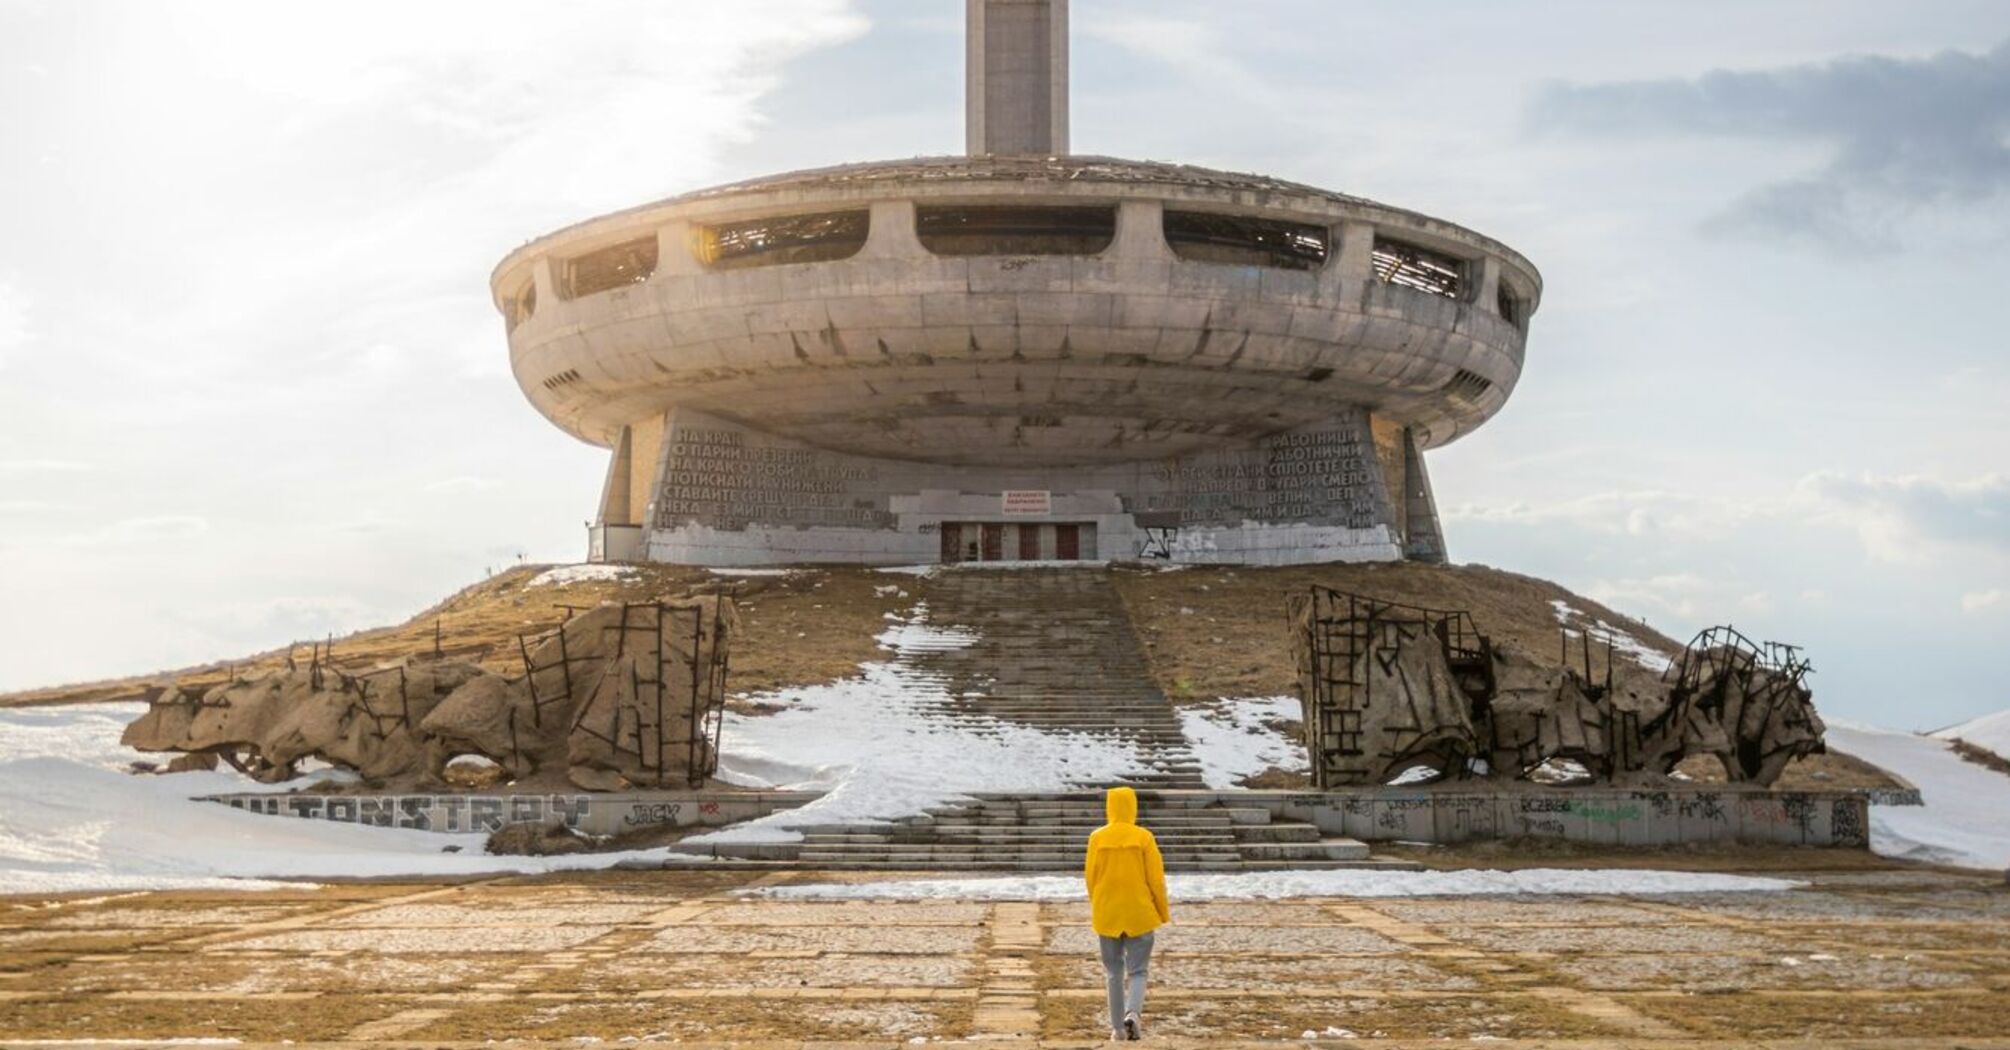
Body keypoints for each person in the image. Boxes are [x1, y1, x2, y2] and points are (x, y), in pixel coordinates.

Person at [1083, 785, 1169, 1041]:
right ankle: (1133, 1014)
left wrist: (1097, 905)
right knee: (1139, 970)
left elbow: (1091, 878)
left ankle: (1117, 1029)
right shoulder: (1143, 837)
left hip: (1108, 913)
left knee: (1113, 972)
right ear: (1133, 807)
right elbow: (1156, 879)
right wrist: (1161, 911)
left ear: (1109, 807)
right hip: (1139, 912)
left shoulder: (1097, 838)